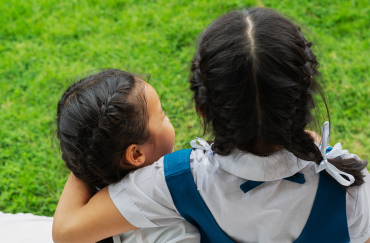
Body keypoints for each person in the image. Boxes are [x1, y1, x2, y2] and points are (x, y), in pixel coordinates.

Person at [53, 8, 370, 243]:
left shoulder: (172, 180)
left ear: (203, 110)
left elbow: (67, 231)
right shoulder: (350, 185)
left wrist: (94, 142)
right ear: (303, 101)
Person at [53, 69, 200, 243]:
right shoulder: (172, 215)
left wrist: (88, 150)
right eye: (163, 116)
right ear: (136, 153)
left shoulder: (91, 206)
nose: (168, 119)